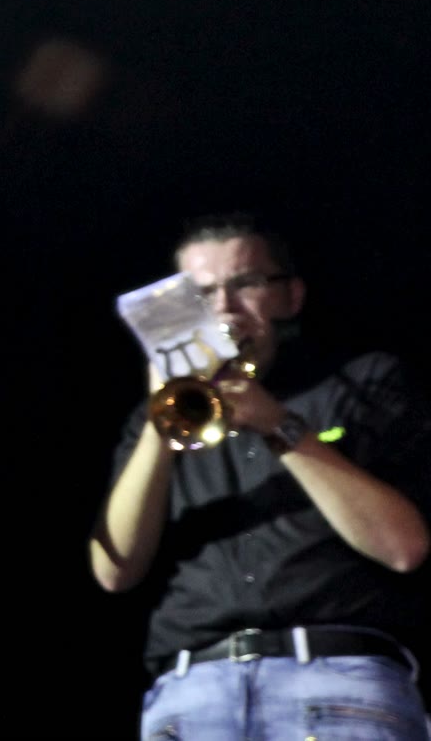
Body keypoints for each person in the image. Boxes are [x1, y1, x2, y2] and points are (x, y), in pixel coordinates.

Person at [91, 214, 431, 741]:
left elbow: (404, 548)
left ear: (291, 297)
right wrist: (162, 418)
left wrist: (278, 424)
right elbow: (114, 571)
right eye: (201, 294)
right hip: (192, 694)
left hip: (338, 684)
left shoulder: (364, 383)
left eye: (245, 283)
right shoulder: (153, 421)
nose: (224, 308)